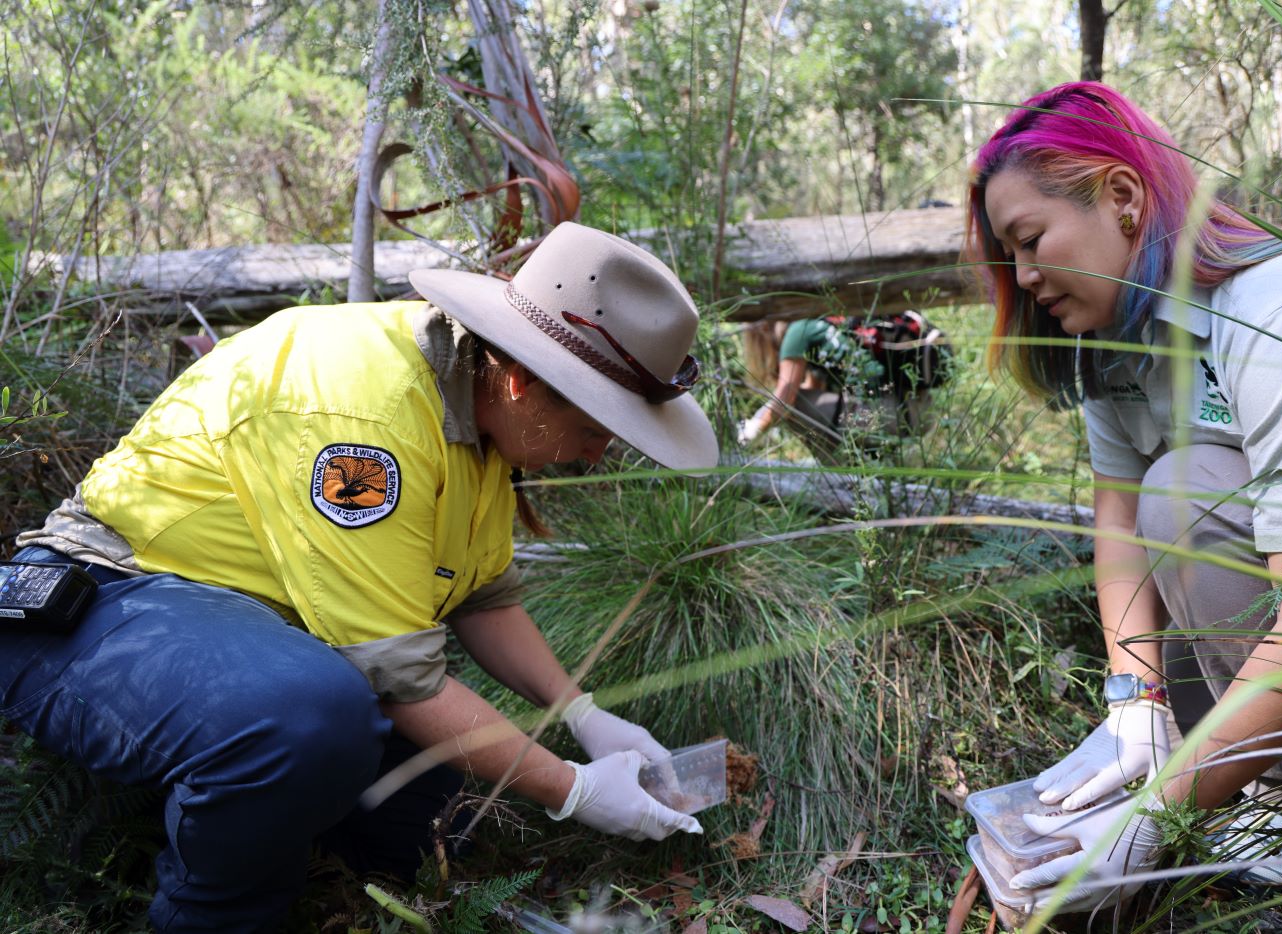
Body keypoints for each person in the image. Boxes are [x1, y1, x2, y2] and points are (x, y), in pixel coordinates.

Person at [0, 222, 719, 933]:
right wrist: (572, 789)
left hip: (245, 631)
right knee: (312, 719)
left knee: (443, 816)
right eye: (596, 427)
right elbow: (398, 675)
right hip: (100, 605)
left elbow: (483, 598)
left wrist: (584, 716)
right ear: (526, 378)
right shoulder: (363, 414)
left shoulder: (480, 413)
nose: (595, 455)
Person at [964, 81, 1282, 914]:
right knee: (1174, 495)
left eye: (1029, 240)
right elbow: (1118, 521)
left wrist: (1155, 817)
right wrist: (1136, 701)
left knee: (1188, 493)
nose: (1023, 278)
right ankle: (1261, 788)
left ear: (1121, 197)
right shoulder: (1113, 342)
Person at [737, 312, 941, 460]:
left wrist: (750, 433)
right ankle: (871, 464)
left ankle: (838, 472)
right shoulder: (825, 322)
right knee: (821, 404)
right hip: (921, 411)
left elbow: (785, 400)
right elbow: (816, 389)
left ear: (762, 329)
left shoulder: (797, 332)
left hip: (894, 417)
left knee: (796, 404)